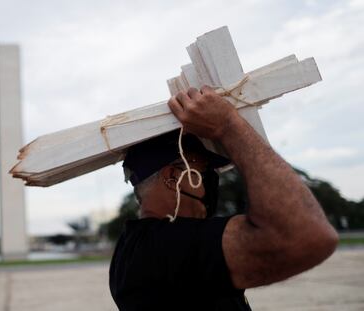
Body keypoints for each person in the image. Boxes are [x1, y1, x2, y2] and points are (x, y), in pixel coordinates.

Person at [109, 86, 339, 310]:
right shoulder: (160, 248)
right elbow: (307, 234)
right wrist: (228, 125)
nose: (213, 179)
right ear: (173, 177)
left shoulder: (138, 247)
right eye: (205, 170)